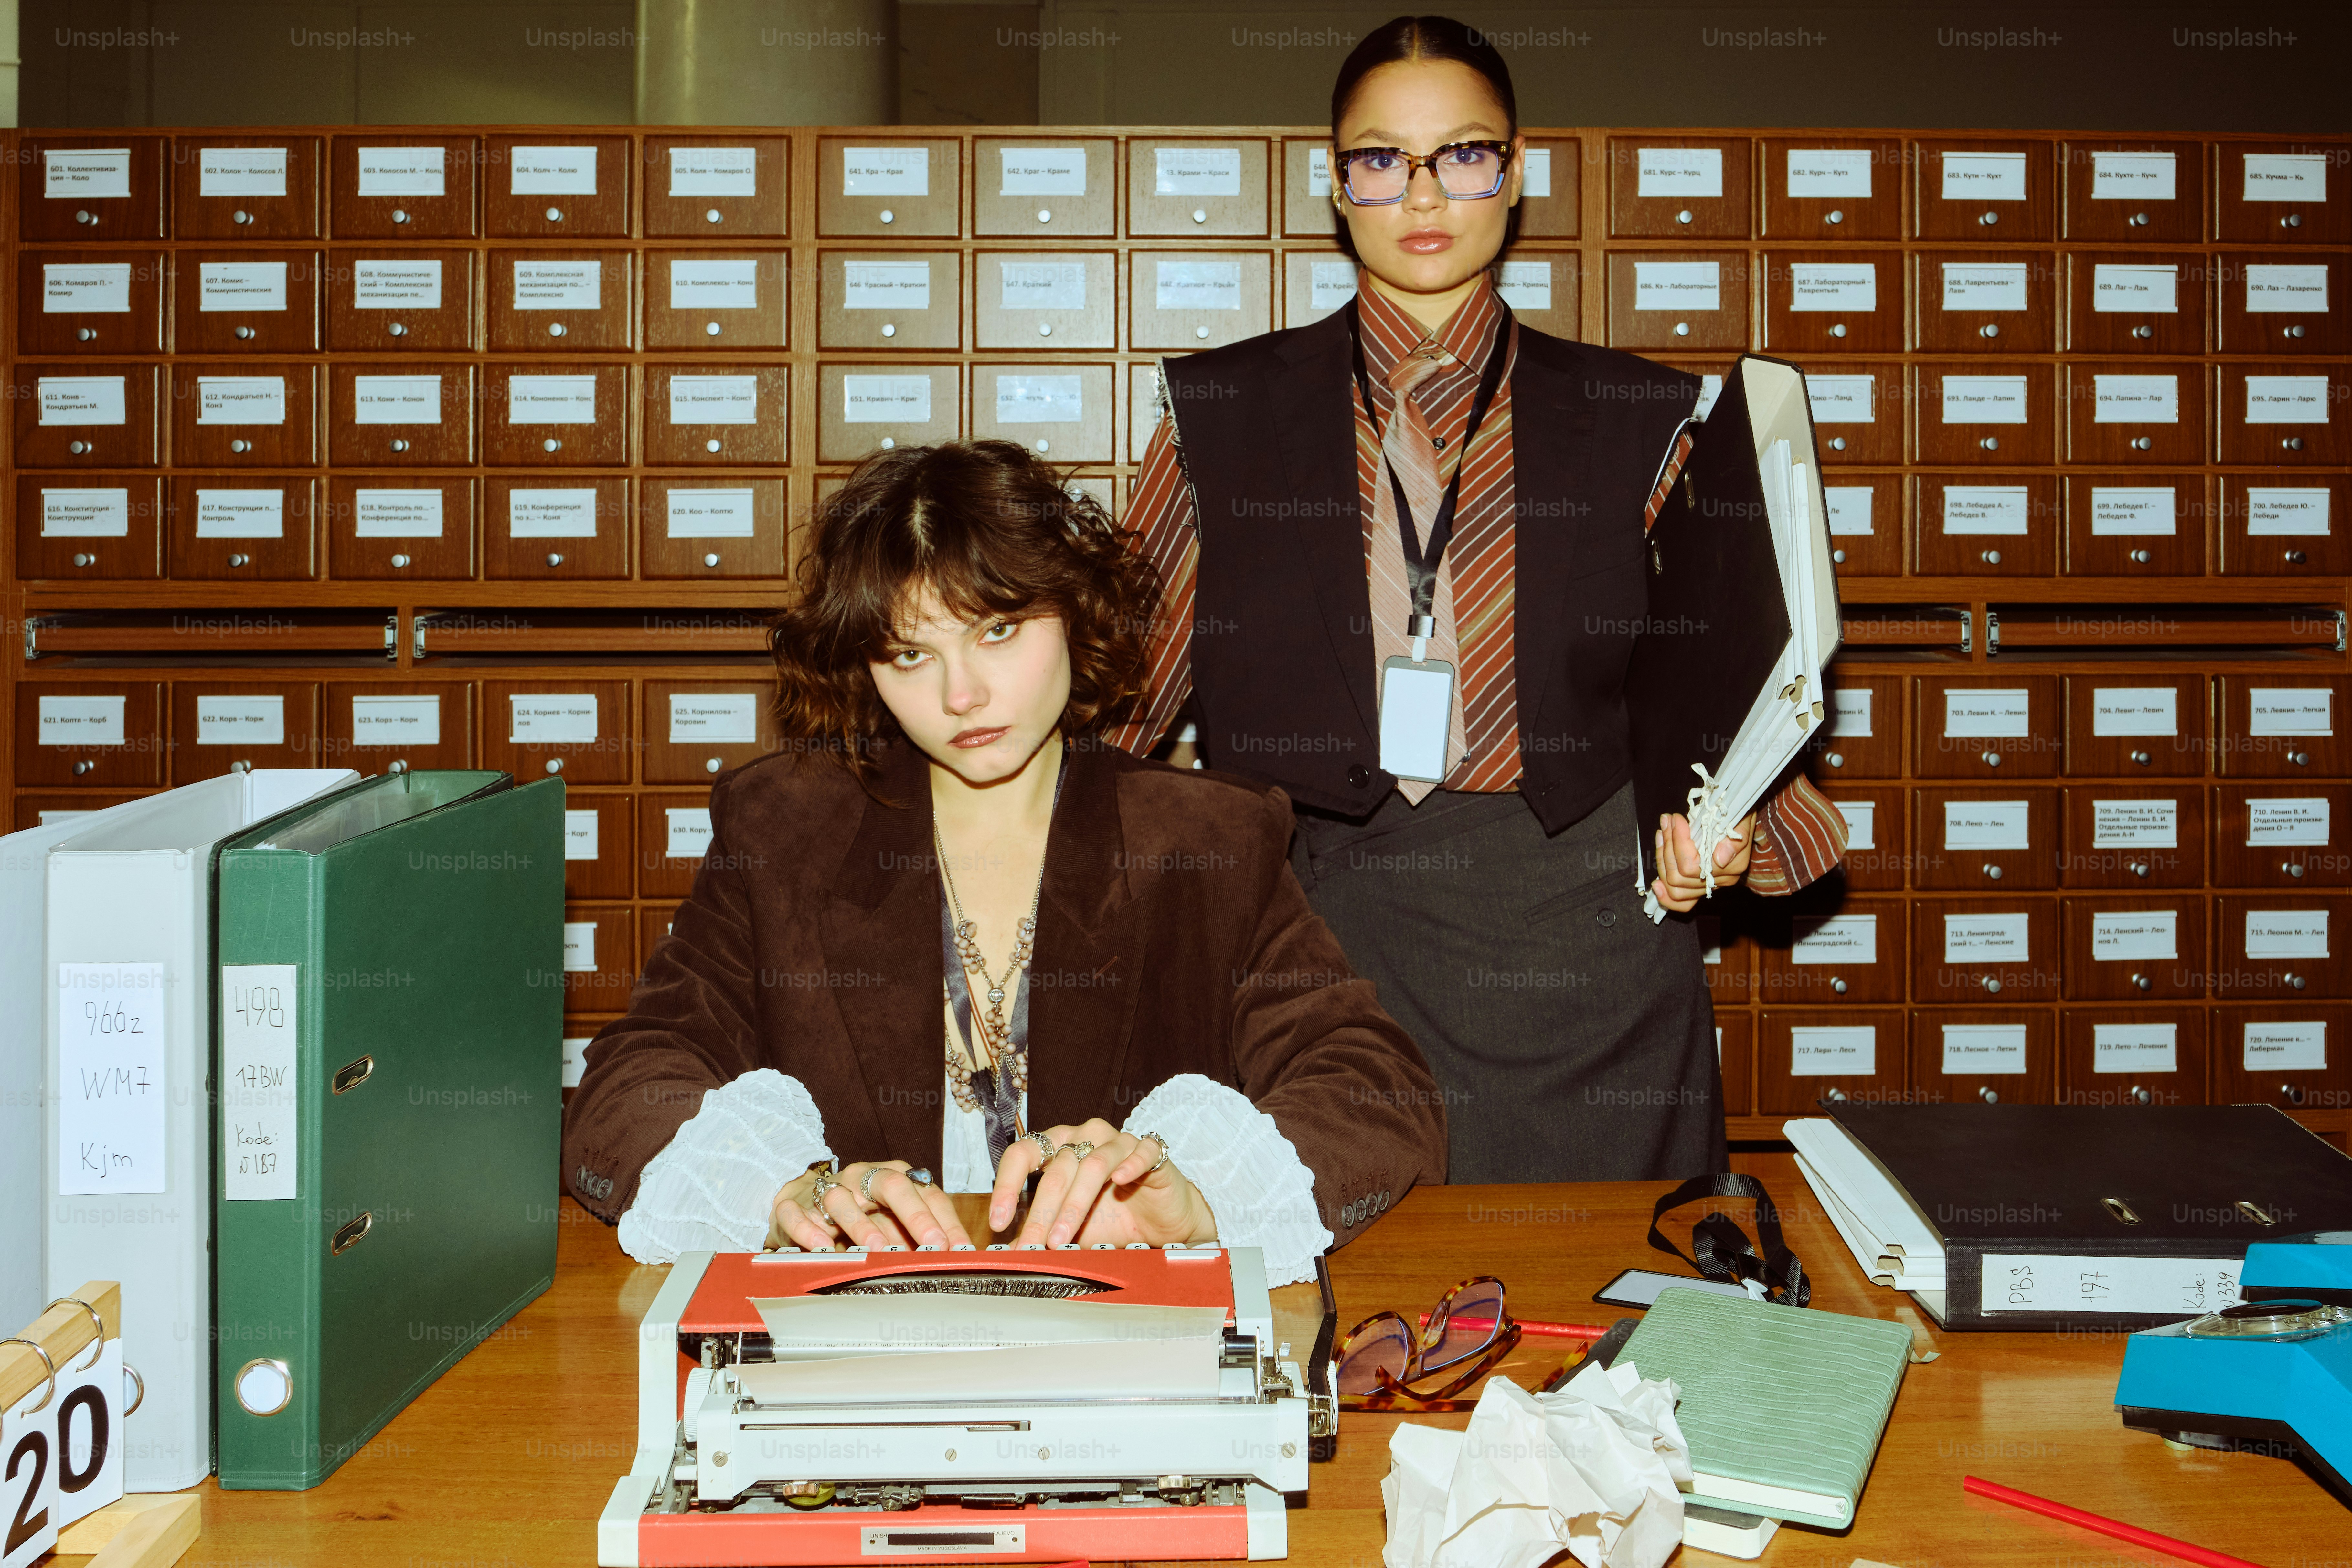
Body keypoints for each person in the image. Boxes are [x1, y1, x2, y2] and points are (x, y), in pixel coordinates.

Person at [1106, 14, 1849, 1184]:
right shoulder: (1223, 415)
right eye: (1379, 159)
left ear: (1516, 178)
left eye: (1464, 154)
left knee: (1607, 1349)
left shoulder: (1643, 418)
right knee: (1345, 1336)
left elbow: (1728, 698)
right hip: (1309, 954)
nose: (1423, 192)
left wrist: (1734, 826)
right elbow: (1112, 706)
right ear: (1336, 187)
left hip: (1583, 965)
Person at [560, 439, 1447, 1283]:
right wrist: (778, 1192)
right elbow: (629, 1085)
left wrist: (1203, 1200)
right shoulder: (783, 828)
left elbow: (1377, 1090)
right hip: (858, 1357)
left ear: (1073, 611)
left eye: (997, 631)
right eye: (910, 653)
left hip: (1123, 1356)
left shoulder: (1207, 838)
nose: (960, 695)